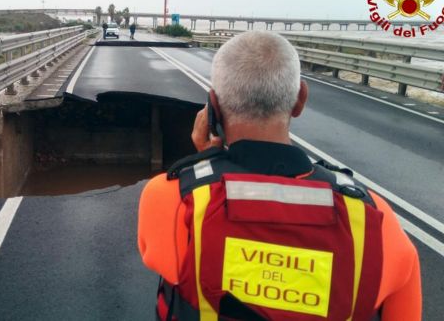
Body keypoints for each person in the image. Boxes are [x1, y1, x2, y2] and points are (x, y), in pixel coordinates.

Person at [138, 31, 421, 320]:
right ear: (300, 99)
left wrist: (205, 163)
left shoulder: (173, 200)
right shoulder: (378, 220)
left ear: (213, 106)